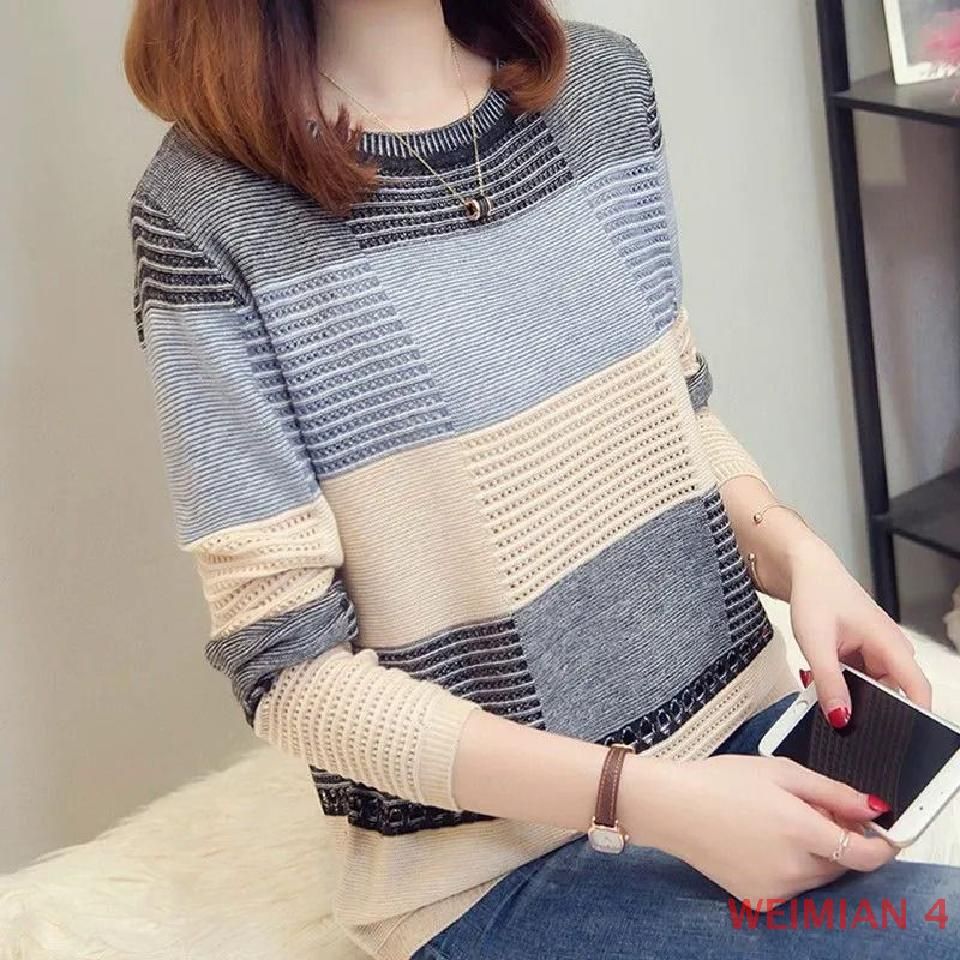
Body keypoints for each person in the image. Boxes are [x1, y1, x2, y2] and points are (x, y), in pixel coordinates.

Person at [123, 2, 958, 958]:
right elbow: (290, 672)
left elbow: (674, 411)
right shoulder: (203, 214)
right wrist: (650, 798)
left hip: (746, 739)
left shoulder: (600, 90)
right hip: (494, 868)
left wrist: (800, 556)